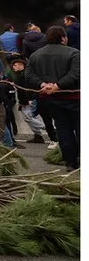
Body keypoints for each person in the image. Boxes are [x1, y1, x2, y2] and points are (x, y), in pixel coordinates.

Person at [26, 26, 80, 171]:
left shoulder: (35, 55)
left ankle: (70, 162)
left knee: (63, 130)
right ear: (63, 38)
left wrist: (43, 84)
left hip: (51, 99)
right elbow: (77, 73)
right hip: (74, 97)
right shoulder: (74, 53)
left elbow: (29, 75)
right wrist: (58, 85)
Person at [7, 56, 51, 144]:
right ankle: (38, 136)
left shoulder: (24, 76)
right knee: (28, 117)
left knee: (28, 117)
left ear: (21, 65)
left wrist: (29, 99)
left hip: (28, 100)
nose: (13, 67)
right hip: (25, 100)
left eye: (15, 65)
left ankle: (46, 128)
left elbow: (27, 89)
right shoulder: (20, 75)